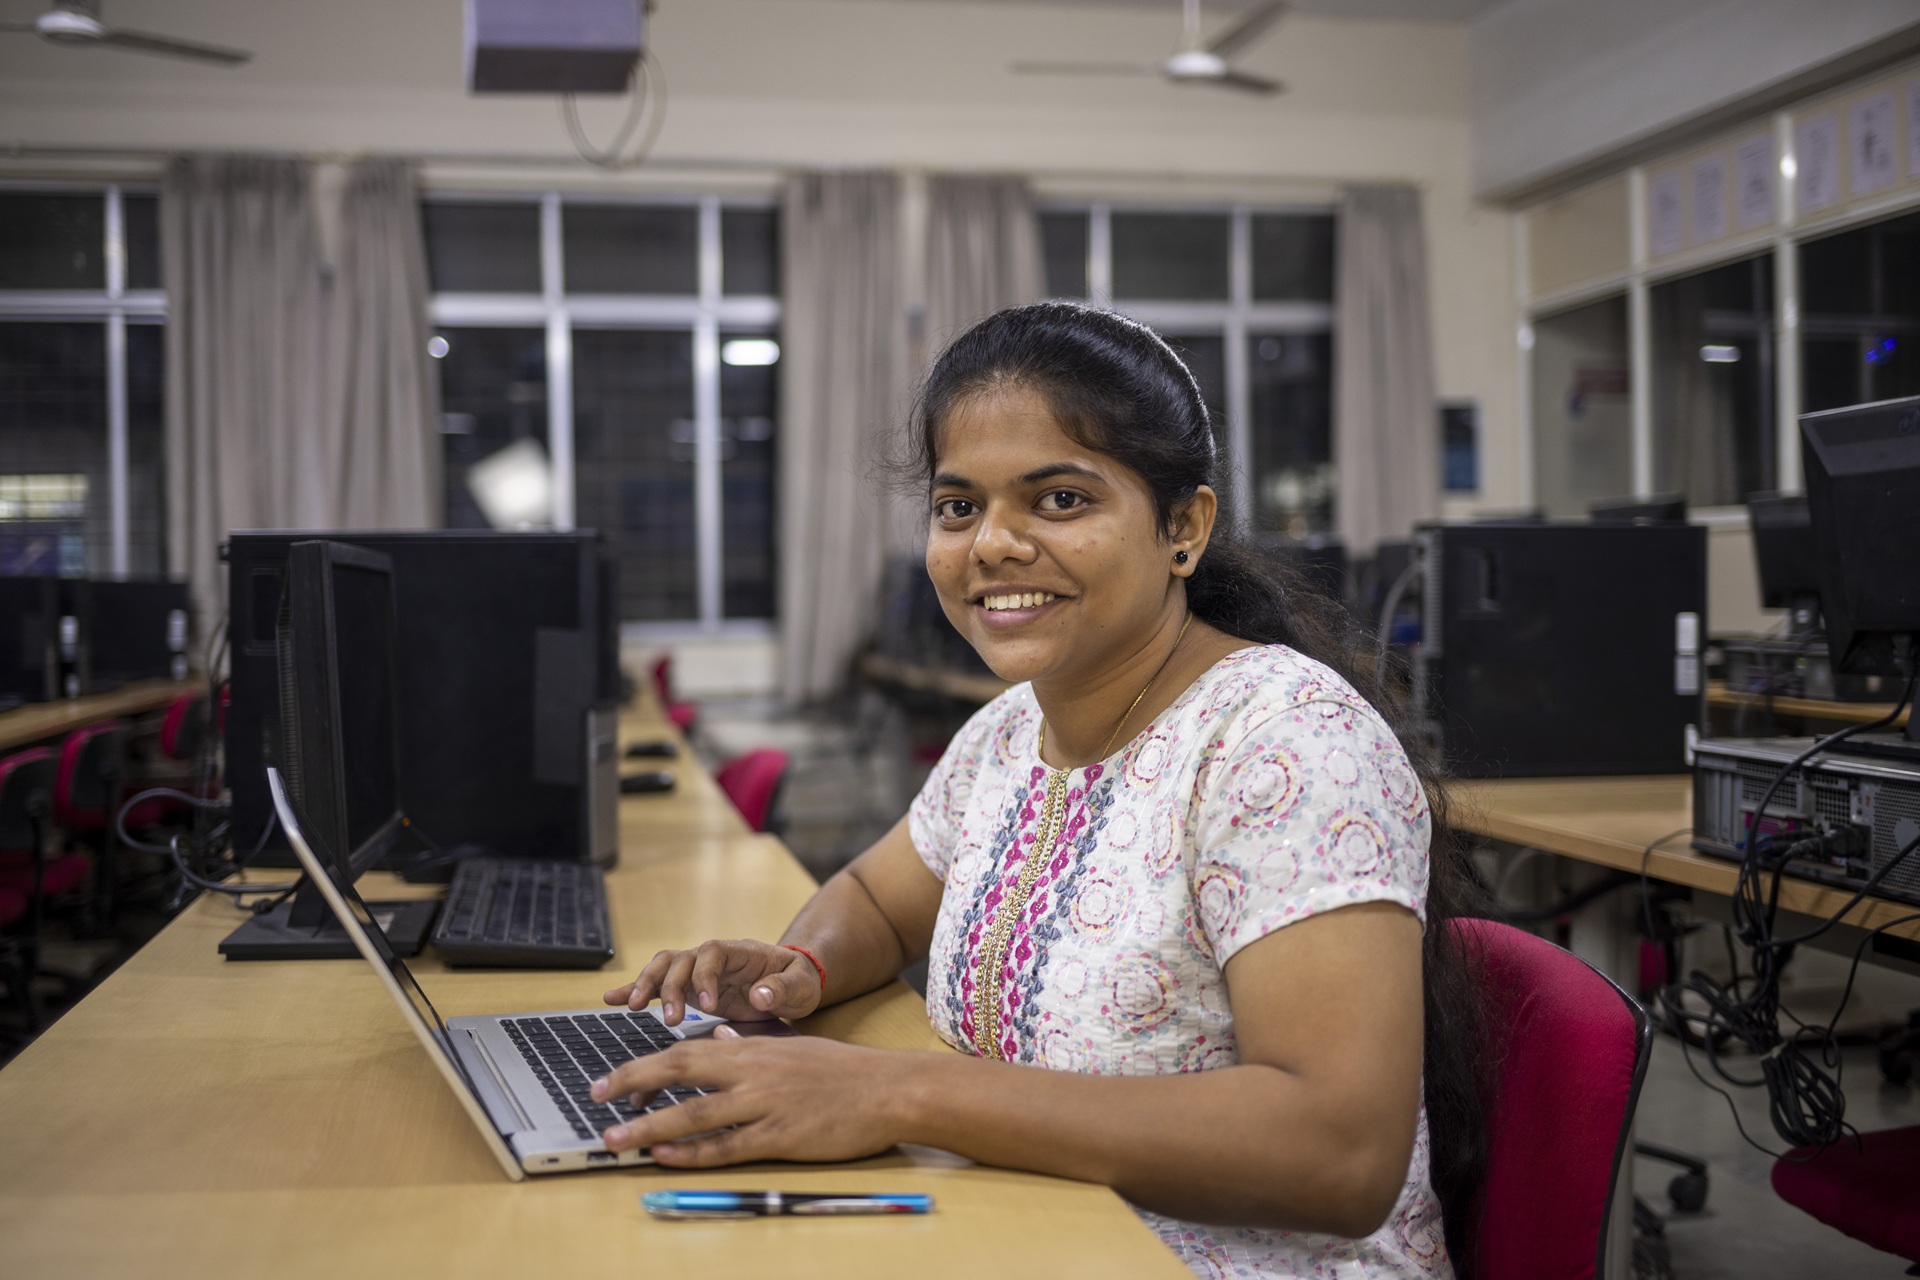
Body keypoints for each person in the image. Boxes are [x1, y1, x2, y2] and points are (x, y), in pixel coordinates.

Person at [591, 302, 1489, 1280]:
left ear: (1183, 526)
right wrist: (795, 966)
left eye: (1059, 499)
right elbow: (879, 900)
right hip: (1033, 1225)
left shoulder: (1283, 739)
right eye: (958, 505)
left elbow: (1337, 1152)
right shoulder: (1012, 730)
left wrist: (896, 1094)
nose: (992, 543)